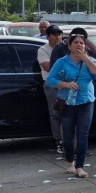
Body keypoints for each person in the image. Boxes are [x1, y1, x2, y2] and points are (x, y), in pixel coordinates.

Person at [46, 32, 96, 178]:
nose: (79, 45)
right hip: (67, 102)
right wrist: (65, 84)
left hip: (86, 101)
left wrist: (86, 59)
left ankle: (80, 166)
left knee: (83, 135)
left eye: (82, 43)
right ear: (69, 46)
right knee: (68, 134)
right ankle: (70, 162)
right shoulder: (62, 61)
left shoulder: (89, 60)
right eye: (76, 42)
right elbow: (50, 79)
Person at [37, 24, 65, 154]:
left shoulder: (65, 47)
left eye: (59, 34)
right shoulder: (43, 50)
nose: (58, 37)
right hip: (52, 84)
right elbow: (49, 68)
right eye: (55, 35)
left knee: (68, 112)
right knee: (56, 113)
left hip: (66, 84)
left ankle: (68, 140)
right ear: (48, 36)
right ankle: (58, 140)